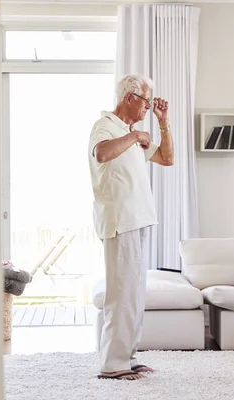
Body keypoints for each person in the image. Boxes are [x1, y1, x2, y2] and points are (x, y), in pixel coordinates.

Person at [88, 73, 174, 380]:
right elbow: (101, 153)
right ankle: (112, 364)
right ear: (129, 98)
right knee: (121, 294)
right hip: (119, 221)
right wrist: (135, 137)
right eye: (147, 102)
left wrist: (163, 123)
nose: (149, 107)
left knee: (135, 294)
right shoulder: (106, 127)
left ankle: (126, 355)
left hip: (139, 219)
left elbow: (167, 158)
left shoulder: (131, 131)